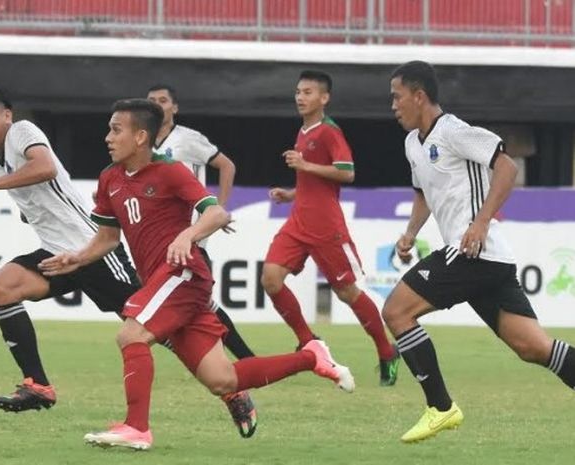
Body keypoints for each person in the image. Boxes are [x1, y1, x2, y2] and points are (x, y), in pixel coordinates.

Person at [39, 99, 355, 450]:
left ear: (141, 136)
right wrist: (78, 258)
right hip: (166, 281)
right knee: (222, 379)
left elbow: (217, 214)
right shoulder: (110, 178)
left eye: (116, 129)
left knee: (131, 334)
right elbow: (108, 239)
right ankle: (313, 357)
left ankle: (137, 427)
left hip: (184, 274)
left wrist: (188, 234)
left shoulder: (171, 171)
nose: (107, 137)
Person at [384, 60, 575, 443]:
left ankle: (440, 408)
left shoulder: (454, 132)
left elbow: (506, 169)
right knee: (533, 347)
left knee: (396, 311)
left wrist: (482, 221)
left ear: (419, 96)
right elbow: (424, 193)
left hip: (474, 251)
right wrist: (409, 233)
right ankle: (441, 408)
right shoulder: (412, 144)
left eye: (397, 96)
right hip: (488, 260)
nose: (392, 105)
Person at [0, 81, 140, 413]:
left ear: (6, 116)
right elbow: (36, 188)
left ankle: (228, 386)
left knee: (153, 325)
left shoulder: (22, 131)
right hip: (56, 254)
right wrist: (29, 212)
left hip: (92, 249)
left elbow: (45, 167)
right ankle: (38, 386)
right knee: (2, 287)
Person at [262, 70, 400, 385]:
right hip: (299, 222)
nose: (300, 97)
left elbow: (347, 172)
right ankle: (308, 340)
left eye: (308, 92)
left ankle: (386, 350)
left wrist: (304, 165)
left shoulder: (328, 132)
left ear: (324, 98)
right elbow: (314, 182)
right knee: (271, 279)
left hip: (326, 227)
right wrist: (292, 192)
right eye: (298, 91)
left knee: (347, 291)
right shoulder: (304, 131)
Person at [147, 84, 255, 361]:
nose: (158, 105)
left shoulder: (188, 139)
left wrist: (219, 208)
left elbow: (226, 165)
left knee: (189, 298)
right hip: (160, 230)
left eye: (163, 100)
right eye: (152, 101)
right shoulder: (142, 141)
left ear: (175, 107)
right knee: (199, 302)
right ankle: (241, 359)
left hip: (190, 229)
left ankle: (234, 359)